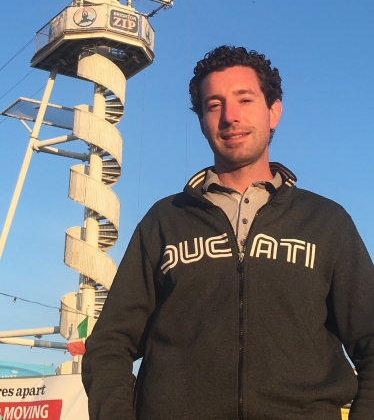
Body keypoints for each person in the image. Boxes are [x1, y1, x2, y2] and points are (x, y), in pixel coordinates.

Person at [82, 45, 374, 420]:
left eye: (244, 99)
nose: (230, 117)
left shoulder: (326, 222)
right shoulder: (165, 221)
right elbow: (110, 343)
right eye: (214, 104)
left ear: (274, 112)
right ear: (202, 120)